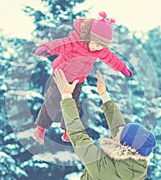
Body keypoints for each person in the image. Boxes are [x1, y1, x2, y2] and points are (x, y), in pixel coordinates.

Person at [33, 11, 133, 143]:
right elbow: (61, 44)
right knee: (52, 100)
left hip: (77, 80)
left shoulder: (100, 50)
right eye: (96, 44)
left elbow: (111, 58)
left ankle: (68, 131)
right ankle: (41, 128)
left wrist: (122, 68)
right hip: (61, 76)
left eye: (102, 46)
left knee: (73, 105)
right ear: (88, 37)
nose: (98, 48)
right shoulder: (76, 41)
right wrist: (47, 49)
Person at [53, 69, 156, 180]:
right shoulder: (139, 169)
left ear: (124, 144)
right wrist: (104, 95)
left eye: (121, 133)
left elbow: (78, 135)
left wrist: (66, 96)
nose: (118, 130)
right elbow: (118, 127)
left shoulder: (101, 168)